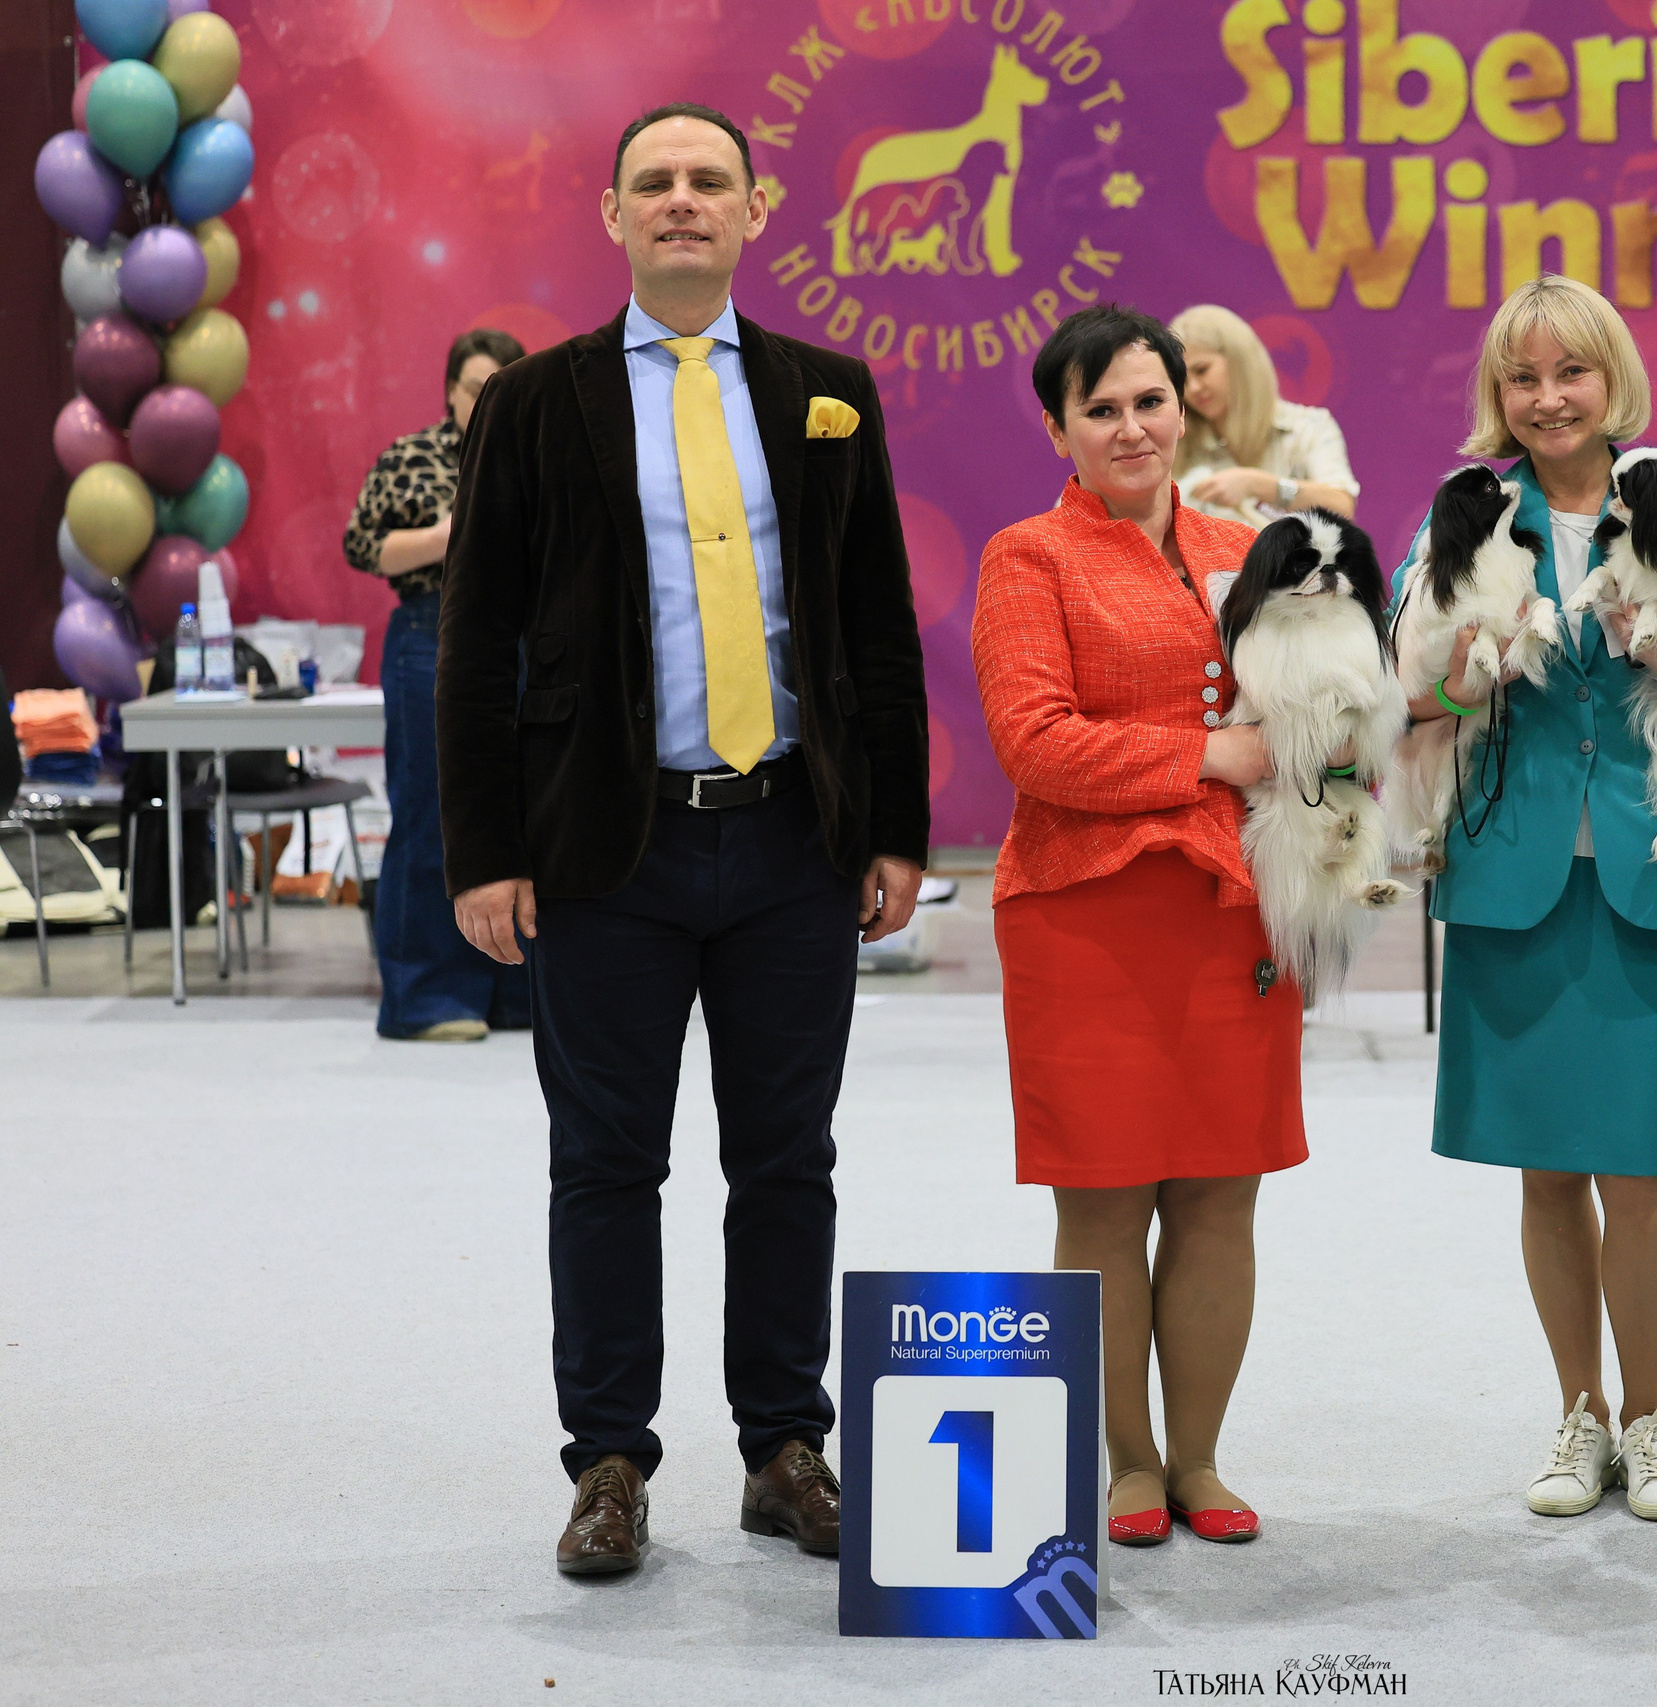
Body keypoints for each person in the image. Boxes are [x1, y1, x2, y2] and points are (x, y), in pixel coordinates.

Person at [438, 103, 930, 1577]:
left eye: (709, 180)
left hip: (790, 838)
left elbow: (878, 628)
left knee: (789, 1159)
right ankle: (607, 1459)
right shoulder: (536, 402)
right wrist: (480, 850)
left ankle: (785, 1444)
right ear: (612, 215)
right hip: (607, 848)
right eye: (652, 181)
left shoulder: (829, 391)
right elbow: (479, 645)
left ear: (756, 207)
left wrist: (893, 827)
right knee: (603, 1161)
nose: (681, 201)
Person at [1392, 276, 1657, 1521]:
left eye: (1568, 373)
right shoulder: (1469, 510)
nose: (1545, 399)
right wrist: (1470, 678)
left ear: (1609, 380)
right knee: (1542, 1174)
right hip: (1507, 877)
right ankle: (1576, 1415)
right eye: (1521, 379)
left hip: (1646, 872)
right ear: (1497, 396)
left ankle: (1651, 1418)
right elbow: (1394, 679)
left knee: (1636, 1171)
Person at [972, 303, 1304, 1549]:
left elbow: (1315, 712)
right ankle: (1127, 1460)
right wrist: (1214, 753)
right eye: (1099, 408)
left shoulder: (1252, 546)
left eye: (1149, 401)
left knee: (1223, 1197)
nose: (1129, 427)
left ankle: (1202, 1459)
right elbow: (1037, 745)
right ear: (1059, 427)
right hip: (1085, 919)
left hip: (1236, 915)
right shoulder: (1027, 558)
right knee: (1103, 1203)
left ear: (1187, 405)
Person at [344, 326, 529, 1041]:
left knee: (530, 819)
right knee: (431, 814)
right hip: (433, 634)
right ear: (451, 390)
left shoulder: (542, 449)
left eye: (501, 389)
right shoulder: (411, 456)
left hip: (527, 640)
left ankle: (521, 994)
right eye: (475, 388)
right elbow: (364, 545)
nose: (486, 401)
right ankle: (427, 996)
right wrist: (448, 534)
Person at [1167, 305, 1358, 529]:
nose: (1194, 388)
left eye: (1202, 370)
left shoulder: (1307, 427)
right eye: (1183, 382)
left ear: (1240, 362)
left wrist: (1258, 485)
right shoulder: (1177, 443)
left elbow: (1342, 508)